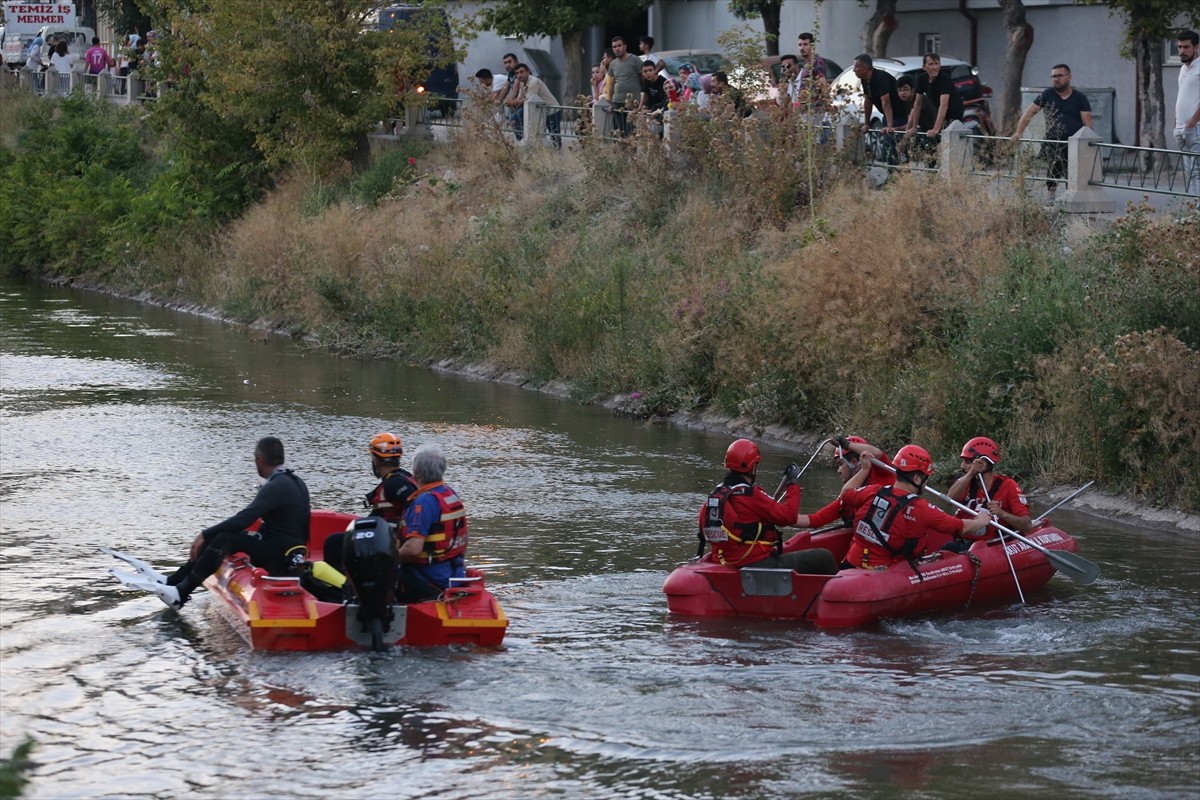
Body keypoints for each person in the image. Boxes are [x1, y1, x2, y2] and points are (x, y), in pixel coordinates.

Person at [153, 437, 311, 609]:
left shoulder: (276, 486)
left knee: (224, 539)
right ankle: (174, 581)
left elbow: (244, 519)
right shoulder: (295, 481)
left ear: (259, 459)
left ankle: (182, 592)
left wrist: (204, 534)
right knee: (224, 535)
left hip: (280, 559)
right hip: (291, 554)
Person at [796, 445, 991, 570]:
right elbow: (958, 526)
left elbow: (846, 492)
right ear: (916, 478)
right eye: (925, 478)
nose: (925, 483)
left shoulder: (872, 491)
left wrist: (864, 470)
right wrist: (982, 520)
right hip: (885, 573)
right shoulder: (922, 508)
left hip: (850, 565)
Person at [698, 439, 837, 574]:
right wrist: (792, 484)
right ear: (753, 468)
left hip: (724, 562)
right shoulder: (752, 495)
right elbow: (789, 516)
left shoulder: (714, 496)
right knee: (824, 557)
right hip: (755, 564)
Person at [323, 433, 419, 577]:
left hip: (391, 542)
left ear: (375, 459)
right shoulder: (403, 478)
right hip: (390, 538)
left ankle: (346, 587)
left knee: (333, 543)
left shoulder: (394, 484)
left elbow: (416, 508)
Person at [395, 444, 470, 603]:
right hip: (454, 574)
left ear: (416, 473)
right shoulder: (450, 494)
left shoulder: (424, 502)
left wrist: (389, 559)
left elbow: (413, 550)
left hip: (428, 578)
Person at [1011, 64, 1093, 199]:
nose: (1056, 79)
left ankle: (1071, 197)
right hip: (1053, 140)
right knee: (1053, 167)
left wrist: (1089, 145)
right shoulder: (1047, 95)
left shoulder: (1080, 98)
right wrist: (1018, 133)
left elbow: (1087, 125)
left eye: (1060, 76)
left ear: (1069, 77)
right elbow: (1028, 114)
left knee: (1072, 171)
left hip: (1074, 143)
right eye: (1053, 76)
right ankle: (1051, 195)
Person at [945, 436, 1032, 537]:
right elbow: (949, 500)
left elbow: (1027, 525)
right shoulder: (965, 482)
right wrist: (971, 473)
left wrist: (1001, 513)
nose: (962, 466)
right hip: (964, 542)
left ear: (983, 464)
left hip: (991, 545)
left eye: (967, 462)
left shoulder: (1008, 485)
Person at [853, 53, 906, 165]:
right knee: (887, 149)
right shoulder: (865, 80)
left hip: (899, 115)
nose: (854, 70)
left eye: (856, 67)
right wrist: (867, 123)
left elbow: (886, 102)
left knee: (893, 146)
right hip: (887, 116)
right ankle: (893, 173)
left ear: (864, 68)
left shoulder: (880, 78)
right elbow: (868, 100)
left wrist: (890, 126)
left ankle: (897, 174)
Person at [512, 63, 563, 148]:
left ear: (528, 72)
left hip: (551, 110)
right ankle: (523, 143)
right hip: (538, 111)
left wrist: (514, 102)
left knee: (554, 135)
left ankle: (558, 155)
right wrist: (514, 100)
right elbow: (520, 99)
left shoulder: (533, 81)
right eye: (517, 73)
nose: (519, 75)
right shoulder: (521, 83)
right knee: (514, 119)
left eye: (521, 72)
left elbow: (529, 100)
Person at [915, 53, 963, 143]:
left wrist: (936, 129)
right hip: (938, 113)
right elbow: (917, 104)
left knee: (948, 141)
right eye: (931, 64)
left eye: (936, 64)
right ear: (924, 67)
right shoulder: (922, 79)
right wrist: (913, 127)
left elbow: (944, 105)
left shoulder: (944, 78)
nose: (934, 67)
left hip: (954, 113)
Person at [1175, 29, 1200, 196]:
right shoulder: (1183, 69)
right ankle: (1194, 211)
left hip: (1195, 127)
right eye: (1179, 47)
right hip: (1180, 128)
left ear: (1196, 47)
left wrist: (1191, 123)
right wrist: (1175, 122)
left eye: (1186, 47)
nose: (1181, 51)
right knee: (1190, 173)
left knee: (1198, 172)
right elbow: (1181, 96)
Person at [796, 32, 831, 141]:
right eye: (800, 45)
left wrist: (827, 104)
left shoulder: (816, 62)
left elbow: (822, 83)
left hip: (815, 111)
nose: (802, 48)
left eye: (805, 44)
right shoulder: (806, 64)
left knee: (814, 142)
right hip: (806, 110)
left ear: (812, 46)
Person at [608, 36, 643, 135]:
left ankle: (630, 150)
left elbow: (643, 78)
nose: (617, 49)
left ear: (625, 46)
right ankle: (621, 150)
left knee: (630, 131)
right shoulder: (613, 64)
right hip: (617, 101)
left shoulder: (635, 59)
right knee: (620, 132)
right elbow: (610, 83)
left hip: (632, 102)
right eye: (614, 47)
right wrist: (610, 102)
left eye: (619, 46)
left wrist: (641, 99)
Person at [638, 59, 668, 135]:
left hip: (662, 113)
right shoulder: (645, 82)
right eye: (645, 71)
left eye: (650, 70)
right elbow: (645, 94)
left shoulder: (663, 82)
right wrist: (640, 108)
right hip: (651, 114)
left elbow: (665, 100)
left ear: (655, 70)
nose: (648, 73)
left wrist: (652, 110)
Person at [497, 52, 523, 139]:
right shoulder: (511, 73)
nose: (507, 65)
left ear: (516, 62)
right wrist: (499, 99)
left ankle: (522, 144)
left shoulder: (520, 72)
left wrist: (512, 99)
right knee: (516, 124)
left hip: (524, 102)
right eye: (505, 63)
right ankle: (521, 143)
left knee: (514, 121)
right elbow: (506, 86)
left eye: (509, 62)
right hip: (517, 104)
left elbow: (516, 85)